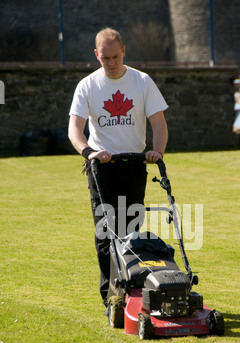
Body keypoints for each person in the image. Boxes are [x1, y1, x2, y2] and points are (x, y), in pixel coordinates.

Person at [68, 27, 168, 305]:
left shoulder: (142, 81)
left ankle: (135, 289)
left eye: (115, 56)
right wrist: (88, 151)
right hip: (102, 168)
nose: (111, 63)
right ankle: (111, 297)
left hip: (135, 165)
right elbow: (74, 129)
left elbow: (159, 123)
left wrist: (156, 151)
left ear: (124, 51)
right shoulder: (87, 86)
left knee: (132, 233)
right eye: (105, 58)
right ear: (96, 55)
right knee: (105, 232)